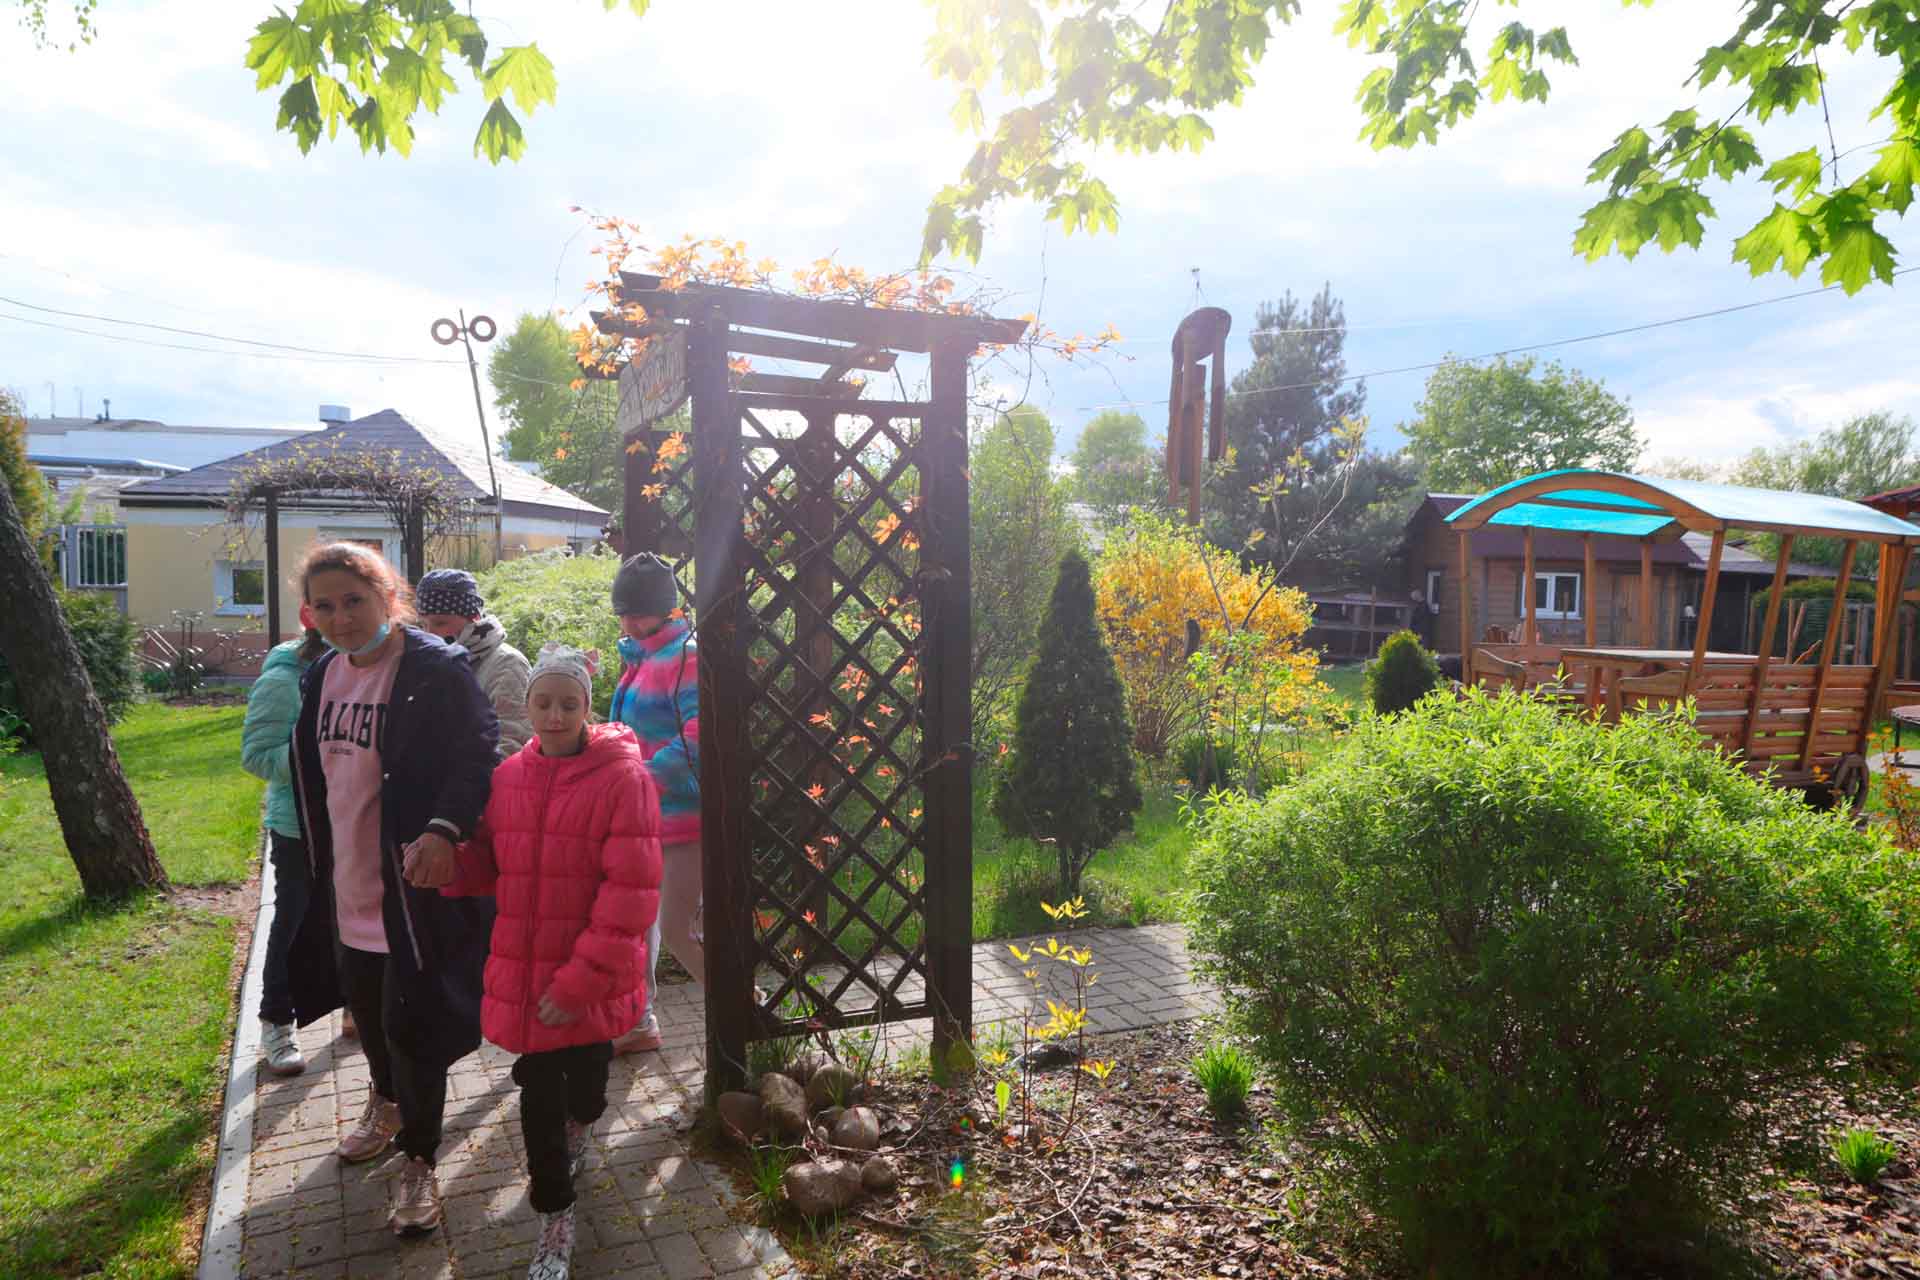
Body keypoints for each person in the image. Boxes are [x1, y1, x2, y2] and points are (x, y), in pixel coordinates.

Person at [283, 542, 499, 1238]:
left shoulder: (435, 668)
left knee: (415, 1029)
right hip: (346, 885)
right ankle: (385, 1101)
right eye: (325, 606)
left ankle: (420, 1159)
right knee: (371, 1020)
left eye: (354, 600)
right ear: (309, 614)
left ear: (387, 597)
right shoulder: (321, 675)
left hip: (411, 888)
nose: (341, 617)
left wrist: (443, 829)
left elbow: (478, 751)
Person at [444, 645, 661, 1280]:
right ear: (528, 705)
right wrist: (450, 867)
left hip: (590, 974)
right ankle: (555, 1215)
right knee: (538, 1089)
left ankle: (582, 1123)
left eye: (569, 703)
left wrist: (581, 983)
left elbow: (631, 894)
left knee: (587, 1088)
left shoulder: (624, 780)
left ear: (587, 707)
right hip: (527, 971)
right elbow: (492, 860)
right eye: (544, 703)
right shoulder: (509, 777)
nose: (556, 715)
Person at [607, 553, 703, 1054]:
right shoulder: (640, 657)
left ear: (666, 609)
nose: (628, 623)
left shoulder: (685, 656)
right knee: (636, 925)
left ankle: (745, 1009)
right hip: (641, 817)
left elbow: (699, 734)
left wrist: (642, 777)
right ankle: (638, 1022)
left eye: (638, 613)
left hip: (682, 819)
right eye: (623, 613)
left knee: (679, 929)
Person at [239, 613, 328, 1077]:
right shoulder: (283, 678)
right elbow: (256, 755)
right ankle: (276, 1020)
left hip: (351, 823)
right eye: (329, 607)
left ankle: (352, 1005)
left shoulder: (363, 668)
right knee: (293, 922)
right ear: (312, 617)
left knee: (350, 918)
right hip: (298, 828)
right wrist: (315, 756)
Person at [416, 567, 534, 758]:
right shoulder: (428, 664)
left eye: (440, 623)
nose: (429, 634)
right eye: (423, 625)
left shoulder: (508, 665)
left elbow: (512, 743)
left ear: (473, 617)